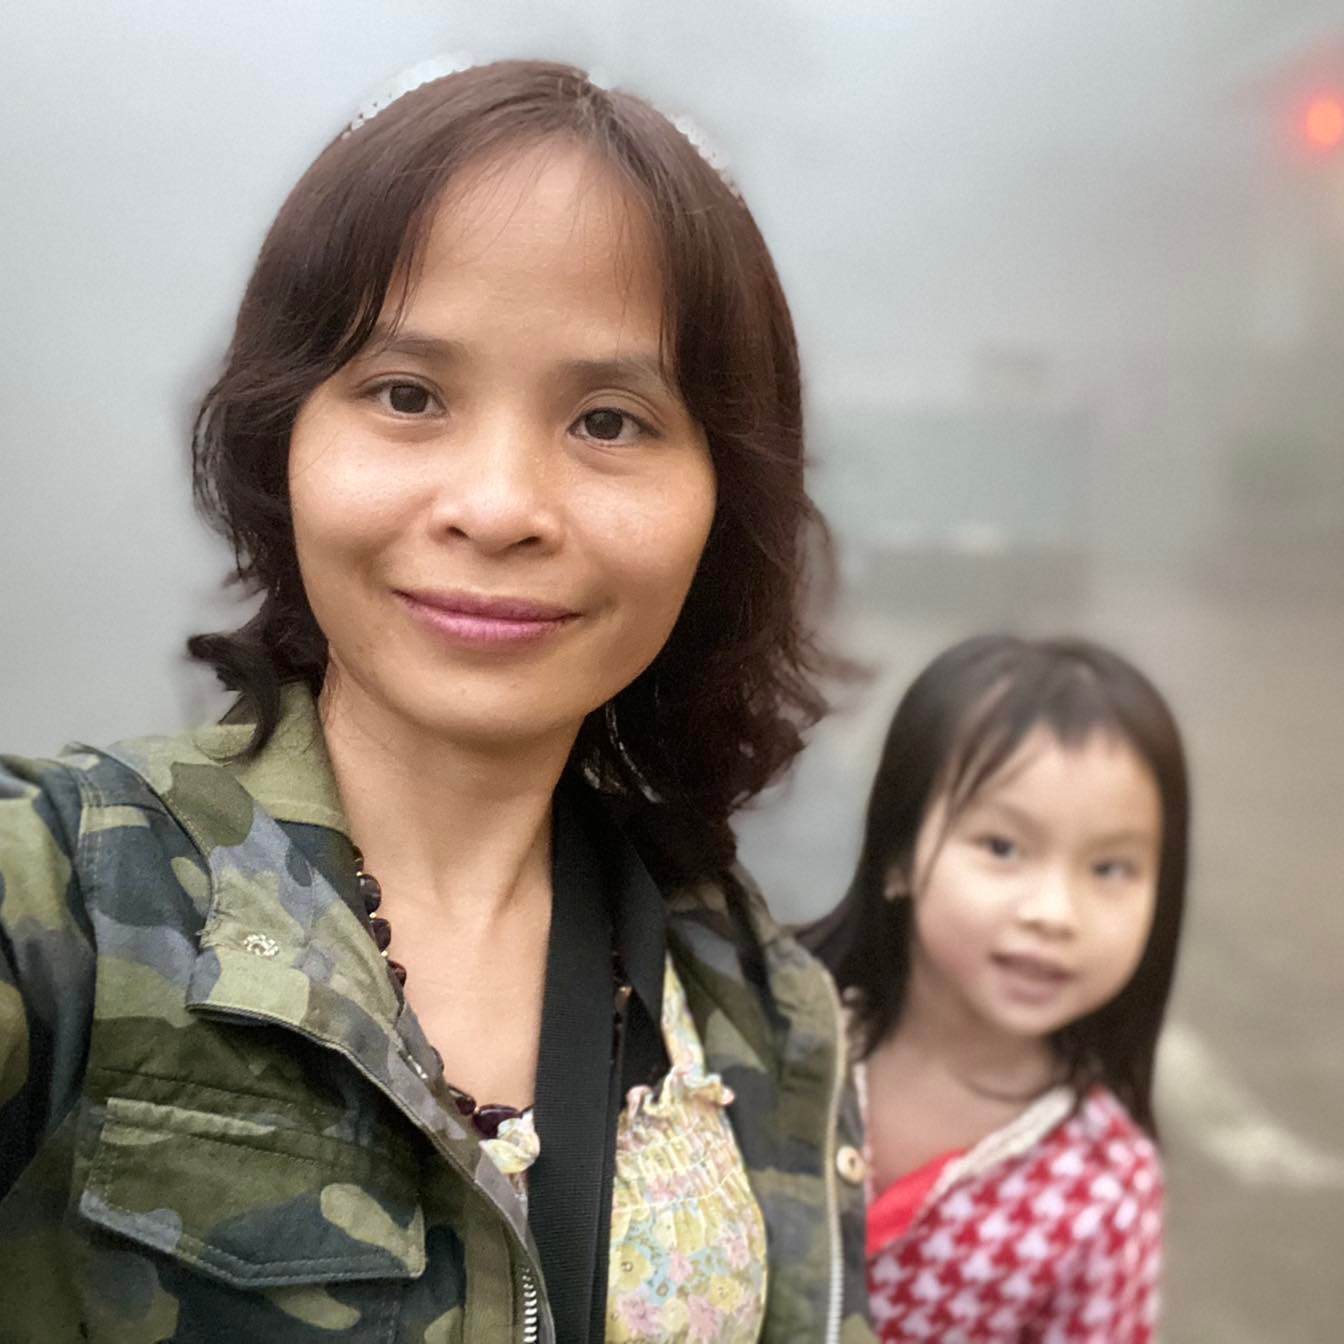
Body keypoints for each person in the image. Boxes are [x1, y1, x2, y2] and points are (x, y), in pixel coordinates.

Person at [0, 59, 872, 1344]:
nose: (501, 505)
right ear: (282, 440)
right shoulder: (73, 899)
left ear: (718, 504)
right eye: (407, 395)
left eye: (611, 421)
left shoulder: (767, 1012)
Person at [804, 634, 1189, 1342]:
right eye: (1003, 848)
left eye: (1109, 869)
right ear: (898, 857)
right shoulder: (778, 1039)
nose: (1054, 913)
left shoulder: (1101, 1189)